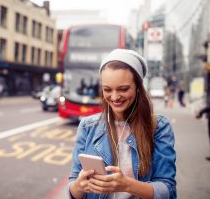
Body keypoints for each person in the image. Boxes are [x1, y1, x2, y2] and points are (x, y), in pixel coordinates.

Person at [68, 49, 176, 199]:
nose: (114, 97)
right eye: (107, 89)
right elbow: (73, 188)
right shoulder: (87, 126)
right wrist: (79, 185)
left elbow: (168, 190)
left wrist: (127, 185)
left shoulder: (159, 127)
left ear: (138, 87)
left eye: (123, 89)